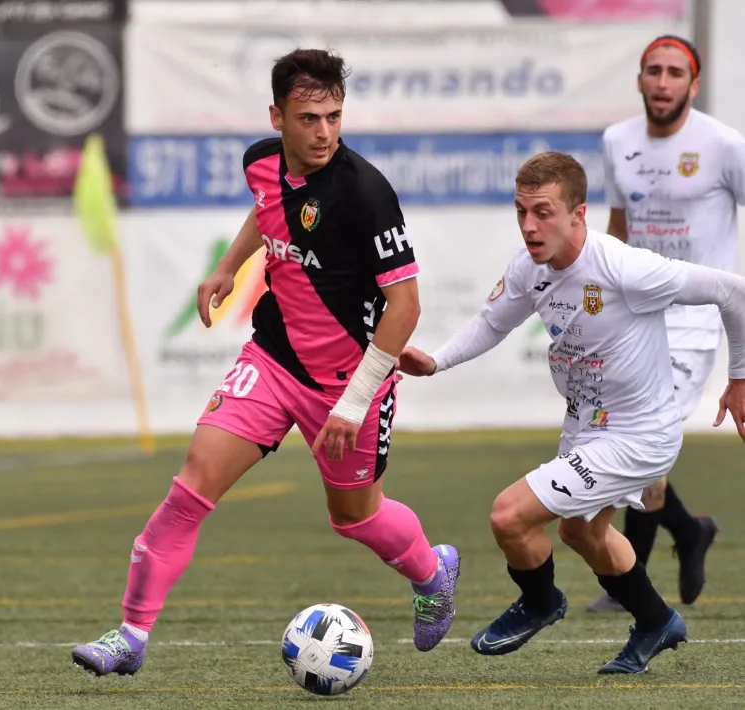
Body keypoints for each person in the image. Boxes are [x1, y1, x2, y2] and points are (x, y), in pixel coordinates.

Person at [71, 48, 460, 679]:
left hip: (347, 381)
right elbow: (268, 207)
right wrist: (228, 265)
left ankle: (432, 572)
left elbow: (405, 306)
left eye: (334, 116)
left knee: (354, 519)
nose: (325, 132)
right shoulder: (259, 160)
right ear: (277, 116)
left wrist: (354, 402)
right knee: (191, 486)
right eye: (309, 118)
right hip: (273, 358)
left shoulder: (365, 192)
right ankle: (130, 636)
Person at [397, 151, 745, 674]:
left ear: (578, 214)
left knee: (508, 516)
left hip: (639, 436)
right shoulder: (528, 268)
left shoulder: (624, 267)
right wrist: (437, 361)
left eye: (543, 212)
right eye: (521, 212)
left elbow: (731, 291)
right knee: (580, 532)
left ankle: (541, 602)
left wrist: (738, 378)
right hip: (588, 427)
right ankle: (657, 622)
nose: (529, 226)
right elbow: (493, 323)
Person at [590, 34, 745, 612]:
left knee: (642, 439)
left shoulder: (724, 145)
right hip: (635, 314)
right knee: (624, 436)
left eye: (675, 73)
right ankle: (687, 530)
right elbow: (620, 221)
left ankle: (634, 582)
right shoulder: (617, 140)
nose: (662, 82)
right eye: (653, 71)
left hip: (694, 321)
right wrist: (597, 294)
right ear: (639, 79)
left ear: (693, 84)